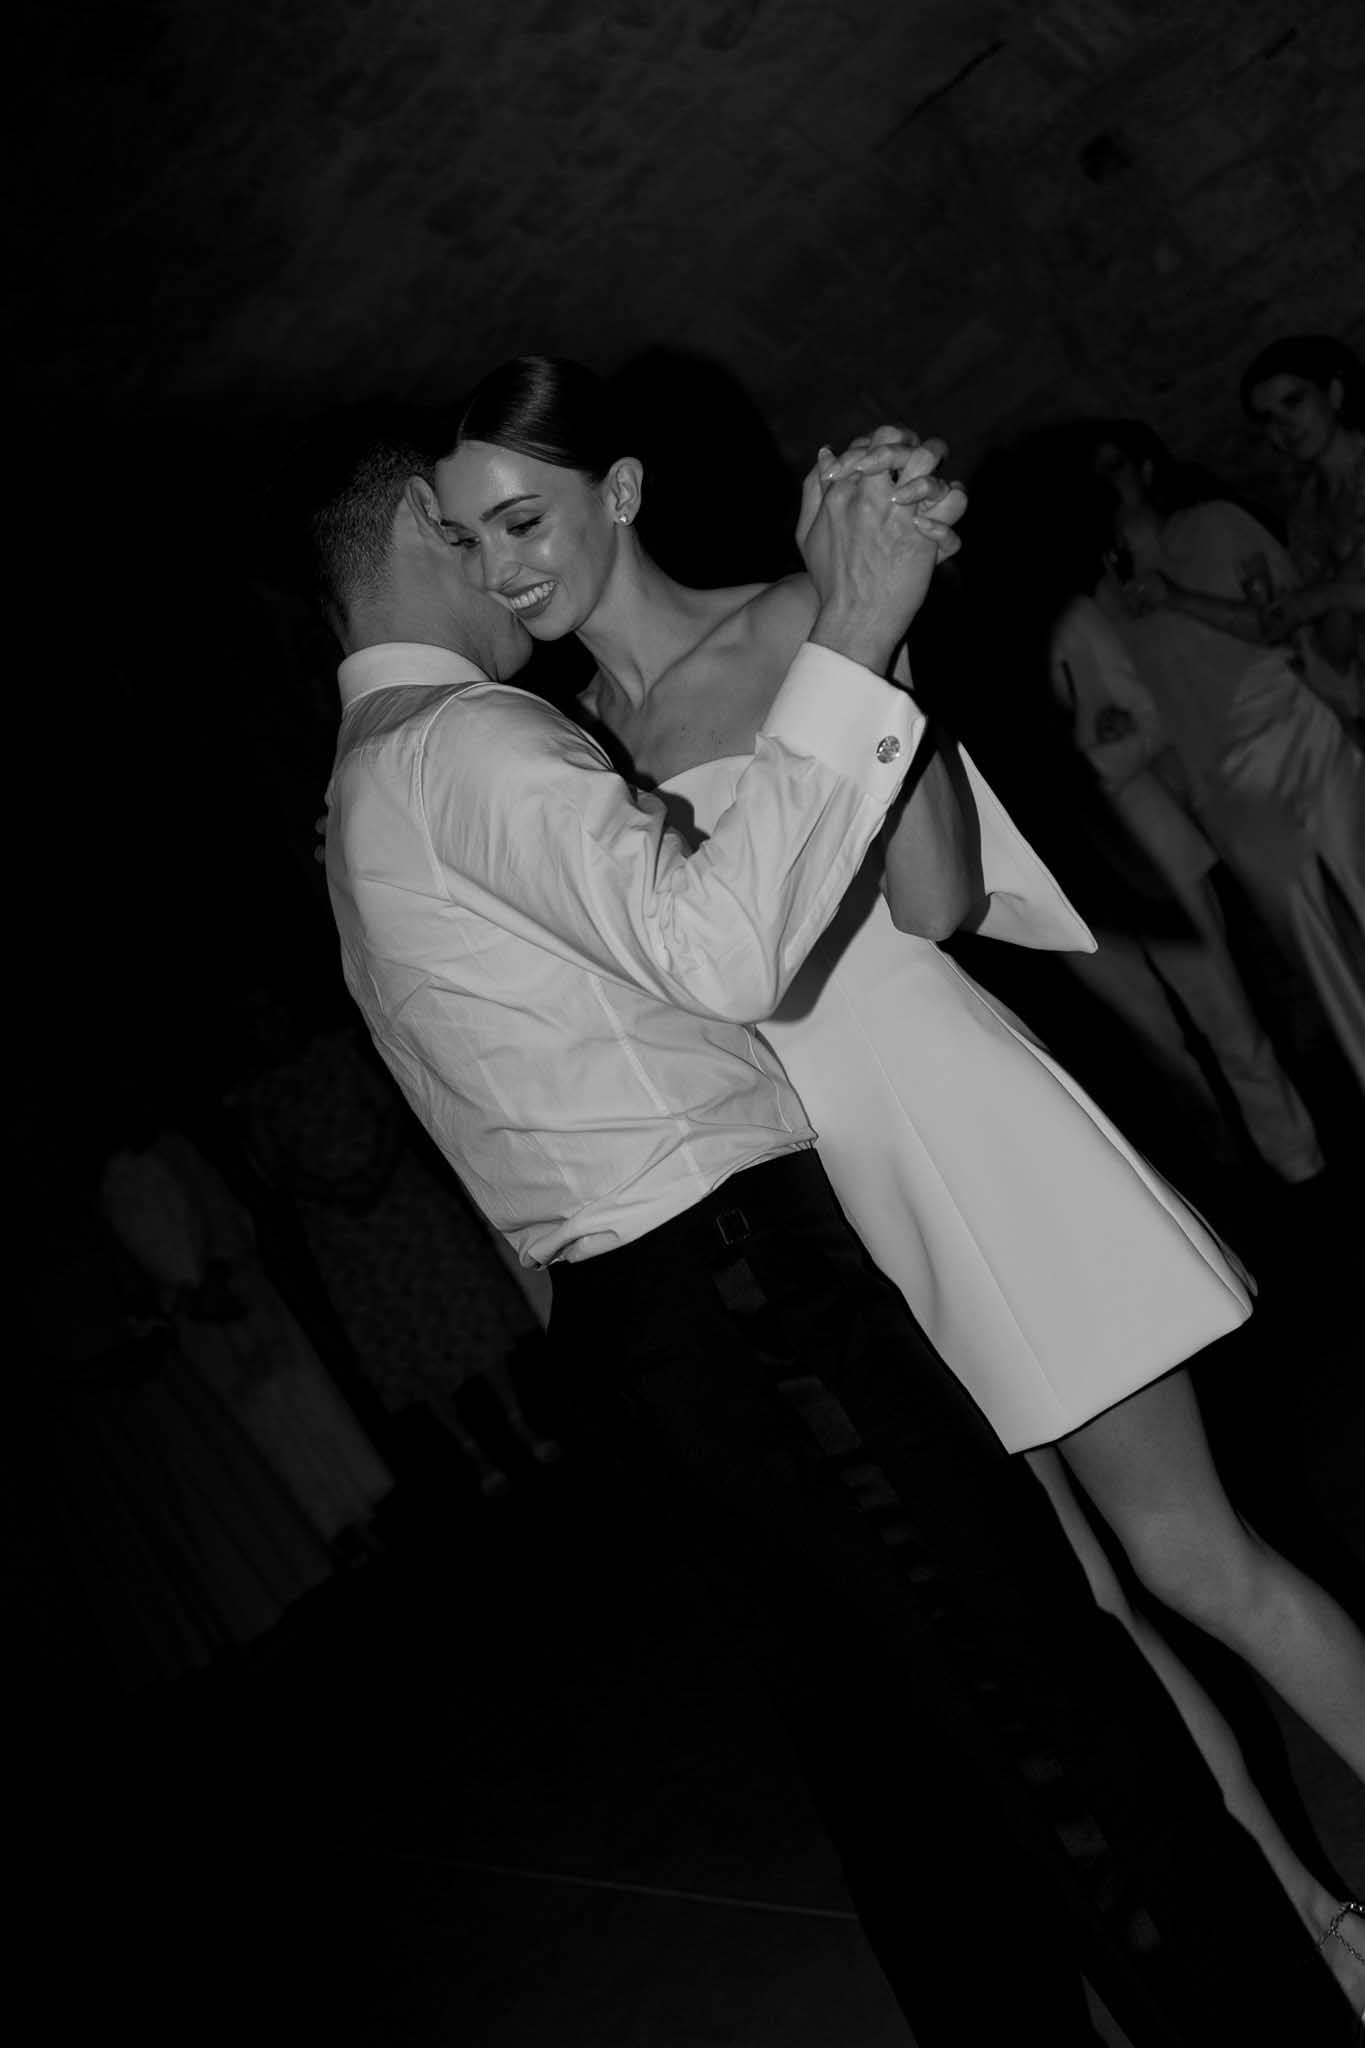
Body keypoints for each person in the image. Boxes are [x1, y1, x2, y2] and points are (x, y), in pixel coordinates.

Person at [310, 403, 1362, 2045]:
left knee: (1192, 1553)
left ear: (623, 483)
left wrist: (885, 652)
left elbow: (938, 904)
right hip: (803, 1211)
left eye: (520, 517)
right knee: (1066, 1629)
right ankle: (1310, 1925)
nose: (506, 564)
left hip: (946, 1131)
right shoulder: (552, 741)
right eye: (471, 536)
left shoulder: (803, 617)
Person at [1088, 416, 1365, 1096]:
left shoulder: (1210, 524)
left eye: (1114, 469)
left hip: (1293, 731)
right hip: (1223, 782)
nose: (1106, 488)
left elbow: (1281, 619)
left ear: (1145, 470)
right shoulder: (1102, 590)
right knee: (1312, 941)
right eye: (1090, 481)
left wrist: (1178, 599)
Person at [1049, 590, 1323, 1184]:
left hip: (1148, 851)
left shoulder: (1070, 615)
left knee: (1230, 1019)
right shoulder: (947, 655)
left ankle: (1299, 1165)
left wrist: (1086, 767)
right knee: (1155, 1049)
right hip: (1061, 879)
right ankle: (1224, 1184)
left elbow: (1149, 718)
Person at [1240, 333, 1365, 729]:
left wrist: (1326, 595)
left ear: (1335, 392)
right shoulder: (1306, 515)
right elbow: (1336, 651)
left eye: (1293, 401)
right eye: (1268, 419)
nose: (1284, 427)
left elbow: (1318, 605)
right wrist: (1341, 584)